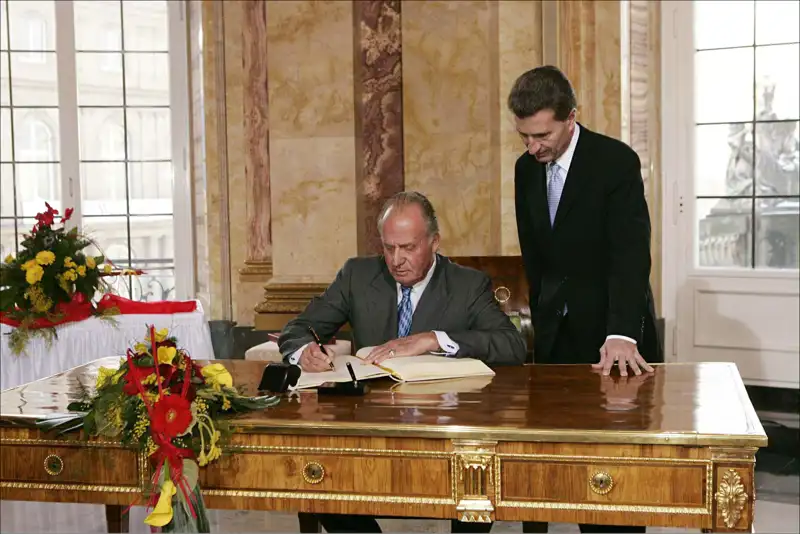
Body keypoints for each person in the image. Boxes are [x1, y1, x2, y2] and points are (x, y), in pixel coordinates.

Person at [278, 190, 527, 533]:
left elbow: (512, 345)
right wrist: (303, 350)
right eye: (388, 247)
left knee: (476, 483)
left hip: (443, 433)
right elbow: (299, 327)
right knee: (321, 478)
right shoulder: (358, 275)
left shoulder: (467, 285)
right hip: (369, 430)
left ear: (434, 241)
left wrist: (433, 338)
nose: (396, 259)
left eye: (408, 248)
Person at [509, 65, 663, 533]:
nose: (533, 147)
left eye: (542, 135)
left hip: (613, 340)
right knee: (549, 480)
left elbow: (630, 258)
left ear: (571, 116)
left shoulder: (614, 162)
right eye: (523, 136)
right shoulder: (524, 169)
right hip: (556, 344)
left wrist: (620, 332)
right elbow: (536, 259)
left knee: (609, 491)